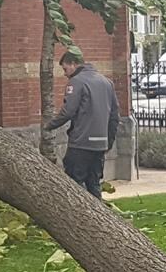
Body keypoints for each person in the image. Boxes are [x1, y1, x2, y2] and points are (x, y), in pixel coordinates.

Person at [44, 49, 120, 199]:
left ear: (73, 64)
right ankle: (99, 218)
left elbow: (68, 111)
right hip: (100, 145)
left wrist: (49, 125)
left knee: (74, 185)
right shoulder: (107, 82)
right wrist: (108, 142)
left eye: (65, 69)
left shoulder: (76, 82)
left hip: (81, 144)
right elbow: (114, 117)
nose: (65, 74)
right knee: (94, 184)